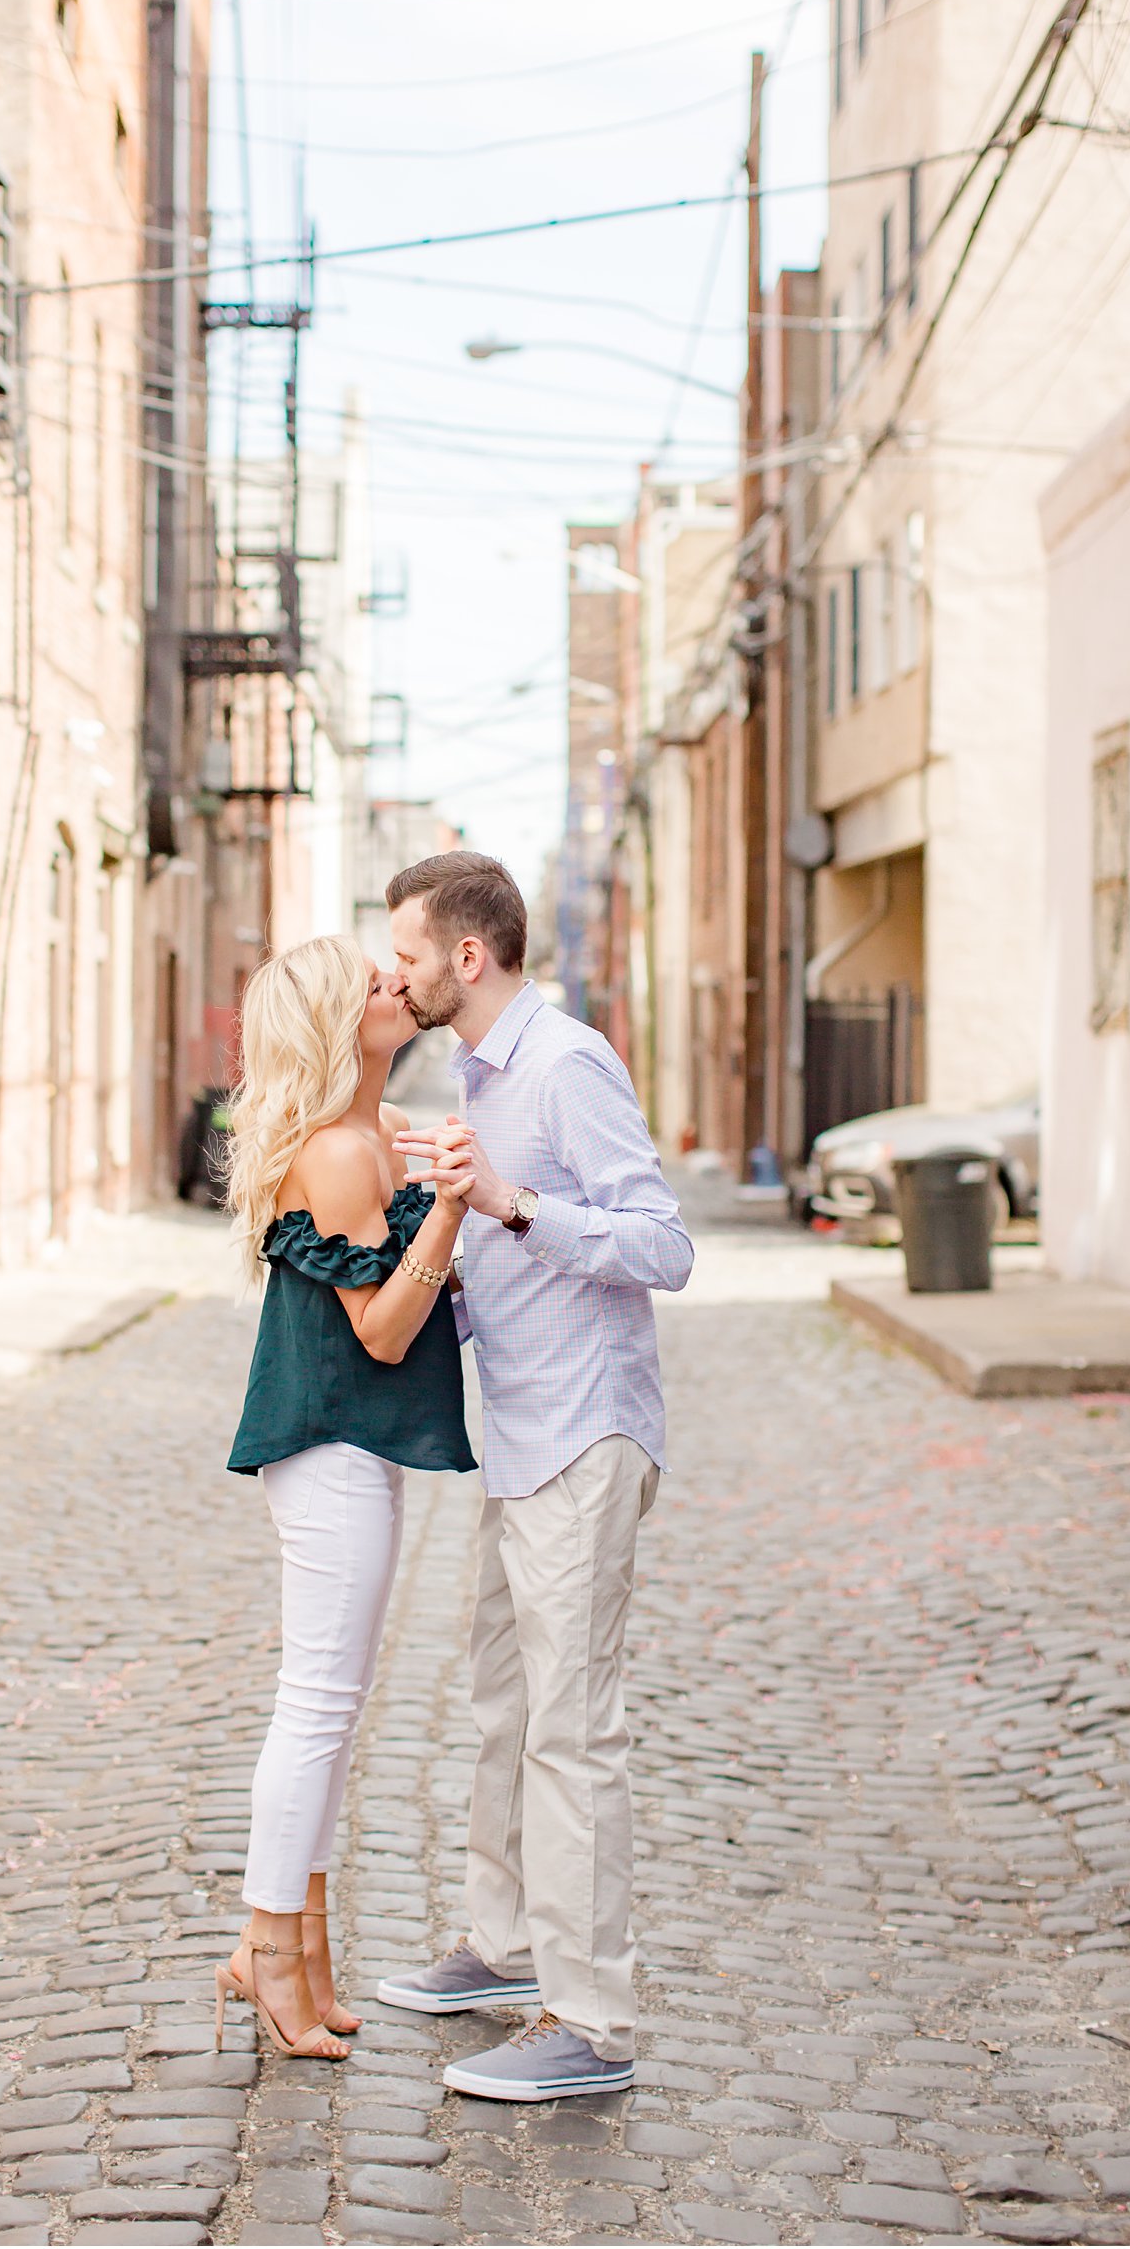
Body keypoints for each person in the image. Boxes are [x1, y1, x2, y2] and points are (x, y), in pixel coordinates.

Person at [377, 849, 694, 2101]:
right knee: (503, 1708)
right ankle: (505, 1949)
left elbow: (662, 1247)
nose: (390, 975)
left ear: (467, 955)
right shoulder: (468, 1071)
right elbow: (496, 1265)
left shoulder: (564, 1064)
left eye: (404, 954)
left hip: (583, 1432)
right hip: (516, 1435)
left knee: (570, 1728)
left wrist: (507, 1205)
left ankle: (592, 2020)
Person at [219, 936, 478, 2062]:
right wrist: (452, 1213)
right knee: (318, 1702)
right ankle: (266, 1951)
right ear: (336, 1025)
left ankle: (304, 1950)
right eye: (372, 985)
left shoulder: (371, 1136)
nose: (395, 986)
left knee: (334, 1704)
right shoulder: (335, 1152)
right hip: (325, 1441)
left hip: (350, 1444)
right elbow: (378, 1332)